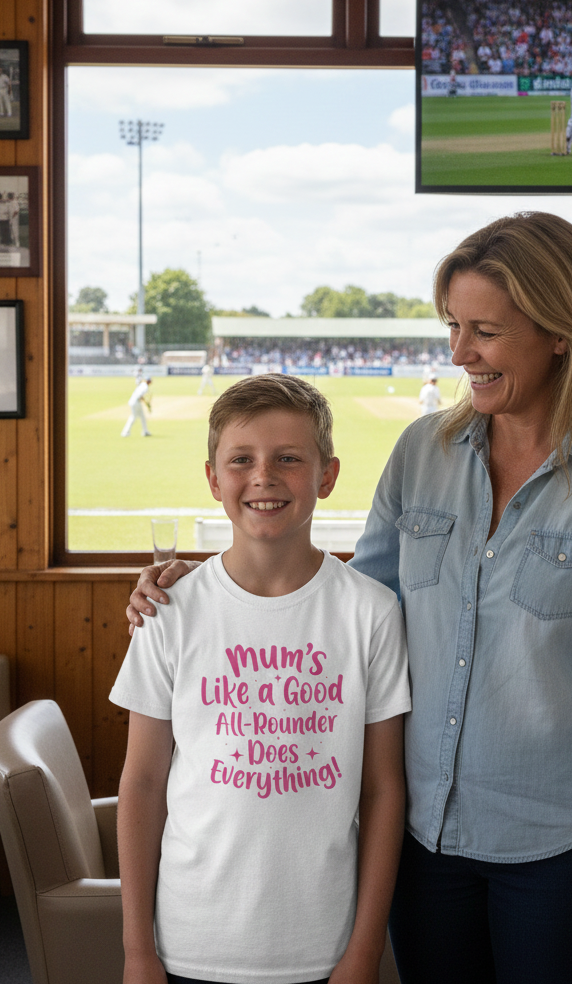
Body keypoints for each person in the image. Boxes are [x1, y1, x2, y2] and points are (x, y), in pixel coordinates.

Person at [127, 212, 572, 983]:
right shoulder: (419, 453)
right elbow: (345, 600)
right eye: (453, 326)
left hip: (561, 847)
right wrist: (201, 586)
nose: (459, 353)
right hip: (423, 844)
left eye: (484, 331)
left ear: (561, 331)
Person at [112, 373, 410, 984]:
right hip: (190, 941)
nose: (263, 477)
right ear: (213, 478)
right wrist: (137, 950)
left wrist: (364, 951)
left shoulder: (371, 612)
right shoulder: (168, 610)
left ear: (326, 475)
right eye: (241, 459)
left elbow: (383, 791)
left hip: (323, 946)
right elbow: (141, 784)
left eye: (289, 459)